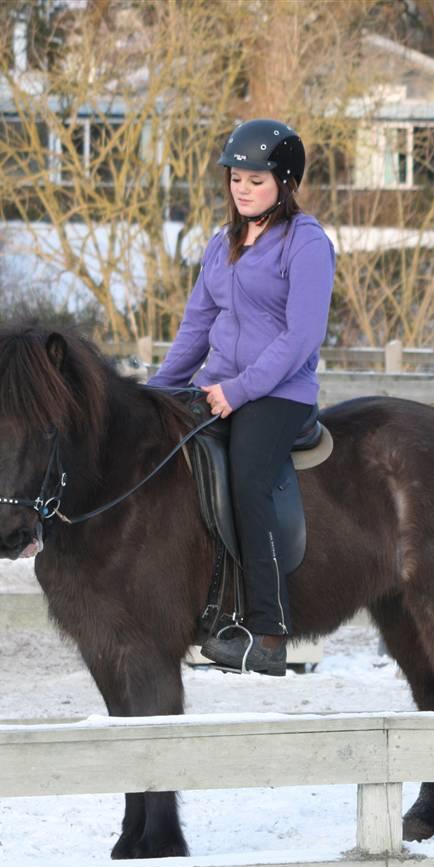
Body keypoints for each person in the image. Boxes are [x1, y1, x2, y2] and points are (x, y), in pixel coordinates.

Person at [148, 118, 335, 676]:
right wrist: (154, 396)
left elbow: (301, 336)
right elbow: (195, 329)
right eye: (236, 178)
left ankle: (269, 632)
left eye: (256, 179)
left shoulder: (306, 243)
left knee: (249, 476)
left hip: (279, 393)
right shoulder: (220, 244)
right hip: (220, 387)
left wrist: (241, 388)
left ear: (284, 181)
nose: (243, 188)